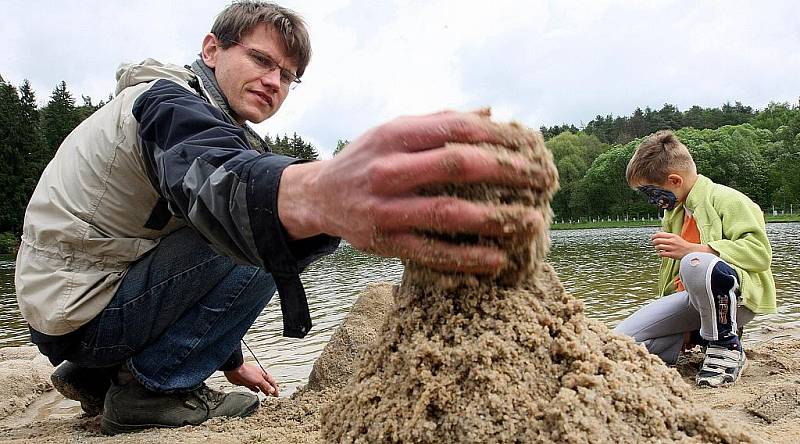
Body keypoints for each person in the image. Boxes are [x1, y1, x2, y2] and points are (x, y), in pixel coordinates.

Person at [14, 1, 546, 435]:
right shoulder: (166, 102)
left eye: (289, 76)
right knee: (268, 231)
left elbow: (198, 210)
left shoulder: (209, 119)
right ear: (212, 48)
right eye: (262, 60)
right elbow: (215, 180)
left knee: (264, 223)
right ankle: (150, 393)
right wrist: (317, 193)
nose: (275, 81)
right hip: (82, 308)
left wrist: (225, 356)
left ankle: (95, 377)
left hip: (75, 308)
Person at [613, 130, 776, 387]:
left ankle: (726, 346)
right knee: (618, 343)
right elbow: (675, 279)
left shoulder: (730, 201)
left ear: (675, 180)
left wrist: (692, 249)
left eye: (651, 192)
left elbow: (759, 253)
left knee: (695, 262)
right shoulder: (675, 214)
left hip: (737, 301)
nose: (652, 201)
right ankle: (694, 340)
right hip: (693, 301)